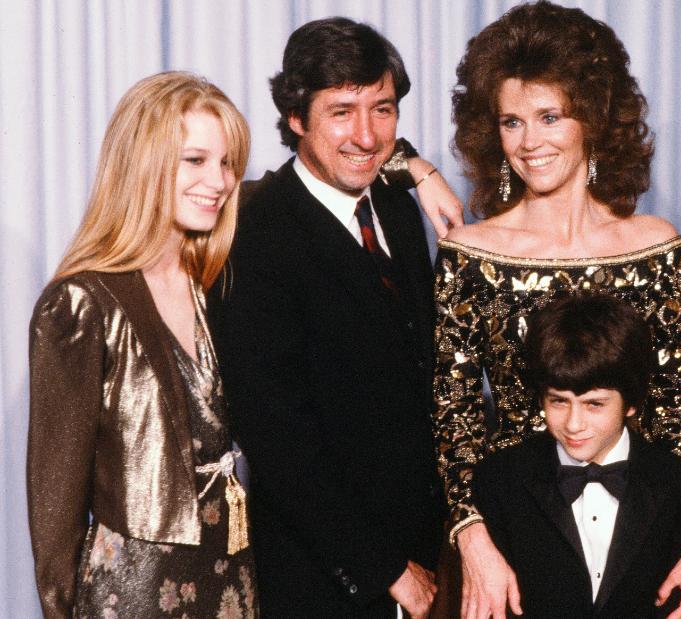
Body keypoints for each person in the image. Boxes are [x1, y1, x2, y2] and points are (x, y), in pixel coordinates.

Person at [435, 3, 681, 618]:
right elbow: (452, 415)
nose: (529, 142)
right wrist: (472, 537)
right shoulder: (469, 254)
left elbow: (678, 405)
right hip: (512, 540)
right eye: (512, 121)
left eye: (549, 117)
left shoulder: (654, 244)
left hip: (638, 540)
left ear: (592, 120)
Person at [206, 17, 455, 617]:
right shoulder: (255, 232)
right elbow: (277, 436)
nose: (367, 136)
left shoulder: (394, 204)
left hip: (423, 547)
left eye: (384, 109)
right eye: (342, 111)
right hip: (328, 576)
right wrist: (385, 569)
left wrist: (419, 168)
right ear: (296, 118)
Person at [28, 71, 255, 618]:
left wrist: (411, 169)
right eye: (195, 160)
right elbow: (55, 521)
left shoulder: (214, 285)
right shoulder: (82, 303)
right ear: (142, 164)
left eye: (226, 163)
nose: (219, 182)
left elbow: (309, 187)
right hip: (132, 593)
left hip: (230, 581)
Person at [472, 294, 681, 618]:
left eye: (594, 404)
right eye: (558, 401)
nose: (573, 424)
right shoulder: (501, 479)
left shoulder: (675, 480)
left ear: (633, 402)